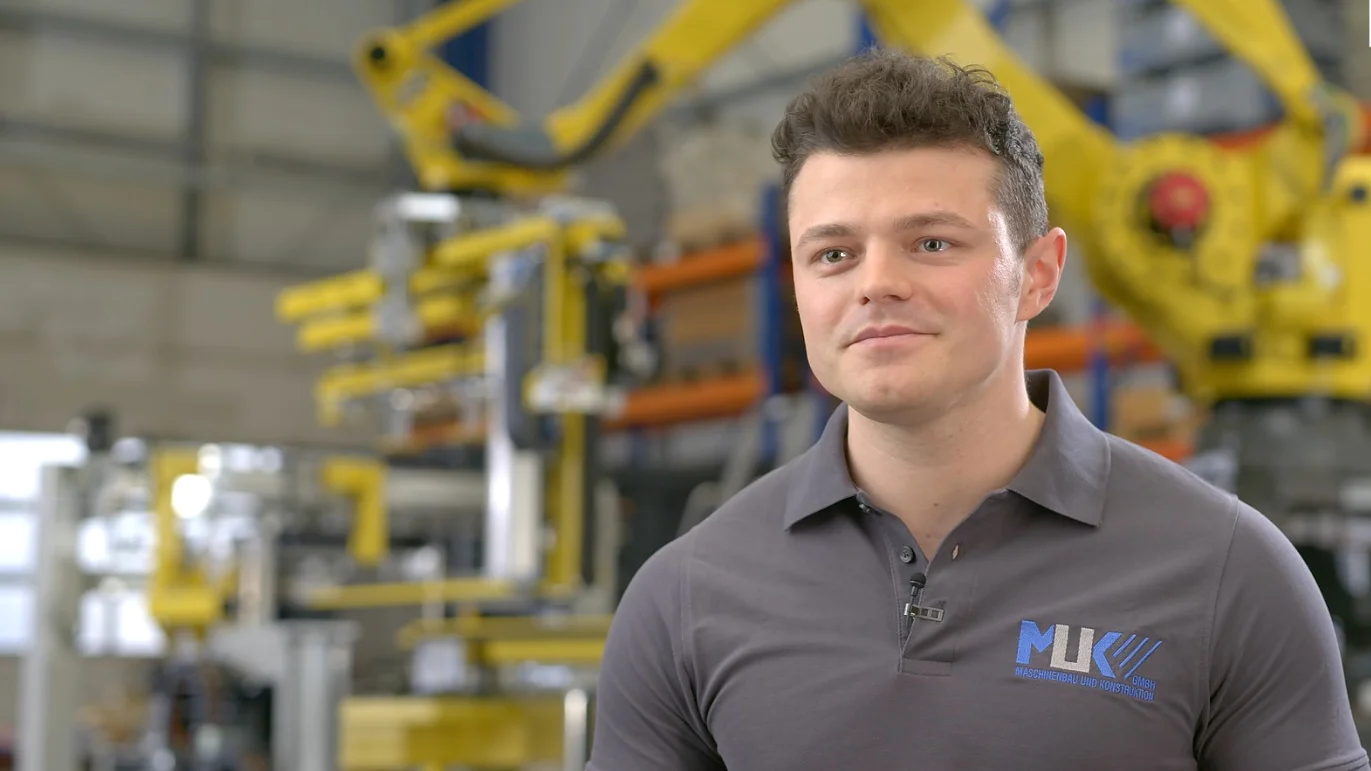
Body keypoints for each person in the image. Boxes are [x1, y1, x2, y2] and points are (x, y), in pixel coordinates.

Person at [586, 49, 1368, 770]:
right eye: (833, 254)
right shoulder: (686, 595)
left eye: (931, 243)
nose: (875, 283)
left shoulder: (1226, 570)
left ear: (1038, 274)